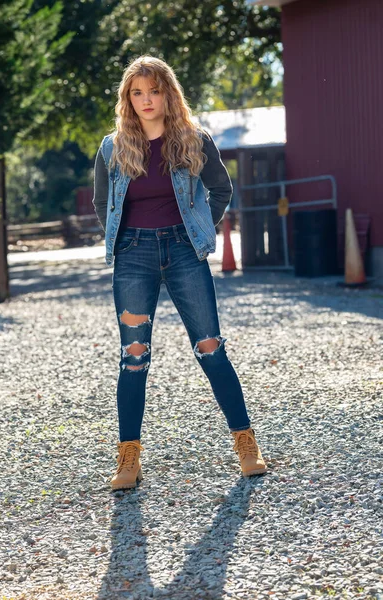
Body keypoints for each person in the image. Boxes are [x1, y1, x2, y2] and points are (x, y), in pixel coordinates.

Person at [92, 55, 267, 491]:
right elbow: (103, 203)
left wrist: (199, 234)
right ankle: (128, 458)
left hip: (184, 251)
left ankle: (246, 444)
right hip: (134, 254)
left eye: (154, 91)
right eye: (137, 92)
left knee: (211, 348)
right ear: (127, 99)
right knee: (134, 358)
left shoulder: (193, 139)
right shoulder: (113, 147)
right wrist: (121, 239)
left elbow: (220, 189)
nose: (146, 100)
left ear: (168, 93)